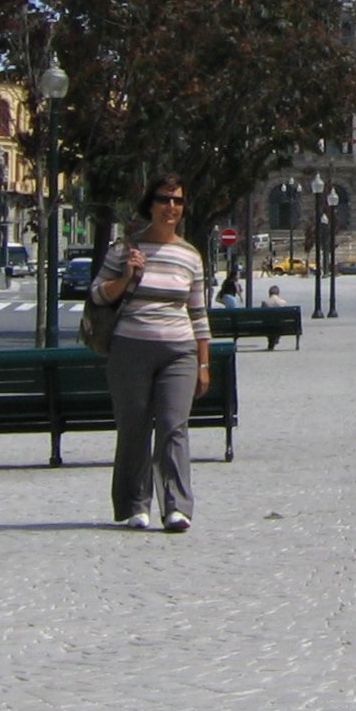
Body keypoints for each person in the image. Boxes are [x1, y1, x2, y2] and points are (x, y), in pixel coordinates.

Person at [94, 174, 211, 533]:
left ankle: (177, 506)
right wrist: (129, 276)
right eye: (164, 200)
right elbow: (99, 294)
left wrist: (204, 362)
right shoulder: (126, 249)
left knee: (174, 426)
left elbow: (198, 312)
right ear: (151, 204)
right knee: (134, 426)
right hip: (131, 347)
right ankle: (136, 503)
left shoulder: (190, 255)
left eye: (177, 201)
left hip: (179, 352)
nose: (171, 207)